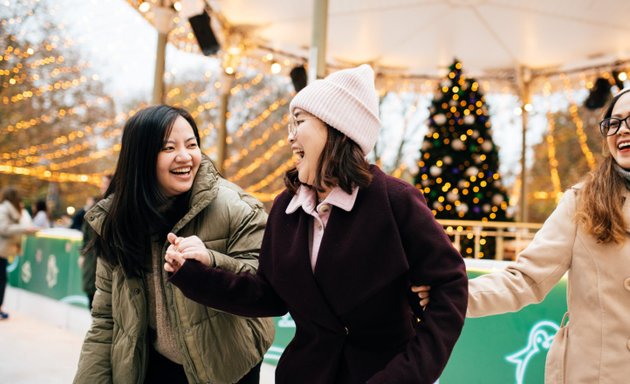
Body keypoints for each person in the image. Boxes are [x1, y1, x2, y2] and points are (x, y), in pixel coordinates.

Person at [165, 65, 468, 384]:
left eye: (299, 122)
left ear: (337, 128)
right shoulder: (286, 207)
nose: (290, 136)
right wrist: (194, 275)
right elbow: (268, 294)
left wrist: (408, 375)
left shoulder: (396, 201)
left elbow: (450, 286)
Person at [413, 89, 630, 382]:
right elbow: (526, 279)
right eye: (613, 123)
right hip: (594, 374)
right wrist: (449, 296)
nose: (621, 130)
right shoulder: (583, 202)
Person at [73, 105, 274, 383]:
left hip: (227, 367)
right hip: (155, 368)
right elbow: (106, 319)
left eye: (191, 145)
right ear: (141, 158)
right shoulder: (118, 221)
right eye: (168, 148)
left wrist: (211, 261)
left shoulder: (236, 207)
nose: (185, 156)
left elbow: (266, 284)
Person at [0, 187, 39, 320]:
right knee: (1, 280)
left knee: (2, 280)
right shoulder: (5, 209)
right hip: (1, 250)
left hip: (3, 251)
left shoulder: (10, 210)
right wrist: (25, 229)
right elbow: (3, 228)